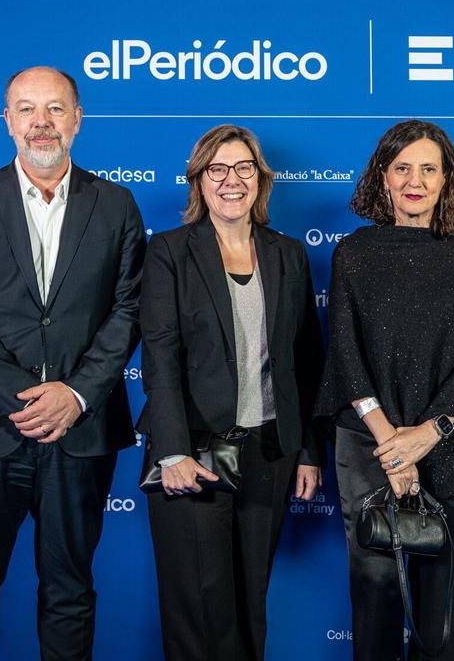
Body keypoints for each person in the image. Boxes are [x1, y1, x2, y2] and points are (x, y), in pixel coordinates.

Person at [0, 66, 145, 661]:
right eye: (27, 109)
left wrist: (74, 396)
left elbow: (128, 310)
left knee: (70, 594)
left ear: (78, 118)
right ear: (7, 120)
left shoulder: (117, 204)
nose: (41, 123)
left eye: (55, 109)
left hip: (81, 431)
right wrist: (24, 396)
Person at [137, 124, 325, 661]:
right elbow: (161, 357)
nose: (231, 180)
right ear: (199, 181)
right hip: (193, 450)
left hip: (270, 451)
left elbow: (305, 362)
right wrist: (170, 451)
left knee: (249, 606)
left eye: (243, 168)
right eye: (217, 170)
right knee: (199, 611)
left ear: (260, 181)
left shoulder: (287, 254)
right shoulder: (170, 252)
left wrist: (308, 449)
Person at [315, 119, 454, 661]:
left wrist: (428, 434)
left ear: (447, 180)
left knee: (441, 602)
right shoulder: (353, 252)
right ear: (383, 178)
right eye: (402, 168)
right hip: (369, 445)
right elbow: (345, 355)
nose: (414, 180)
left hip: (451, 444)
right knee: (374, 592)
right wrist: (392, 446)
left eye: (428, 168)